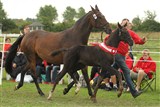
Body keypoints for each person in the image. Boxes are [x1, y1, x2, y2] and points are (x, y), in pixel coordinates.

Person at [105, 18, 147, 98]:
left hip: (123, 56)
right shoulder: (116, 32)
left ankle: (100, 77)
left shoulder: (130, 33)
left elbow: (138, 40)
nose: (125, 25)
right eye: (124, 23)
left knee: (109, 69)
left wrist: (143, 41)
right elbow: (106, 39)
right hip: (117, 54)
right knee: (126, 71)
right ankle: (134, 92)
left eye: (126, 23)